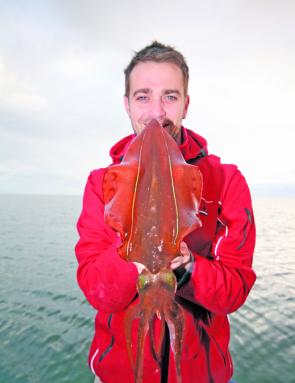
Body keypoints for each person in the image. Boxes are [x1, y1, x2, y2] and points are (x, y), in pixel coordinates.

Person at [75, 41, 256, 383]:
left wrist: (187, 267)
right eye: (143, 96)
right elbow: (97, 290)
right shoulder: (101, 184)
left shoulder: (226, 180)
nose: (157, 113)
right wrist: (133, 254)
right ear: (127, 105)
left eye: (170, 96)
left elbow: (235, 290)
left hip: (203, 375)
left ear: (185, 104)